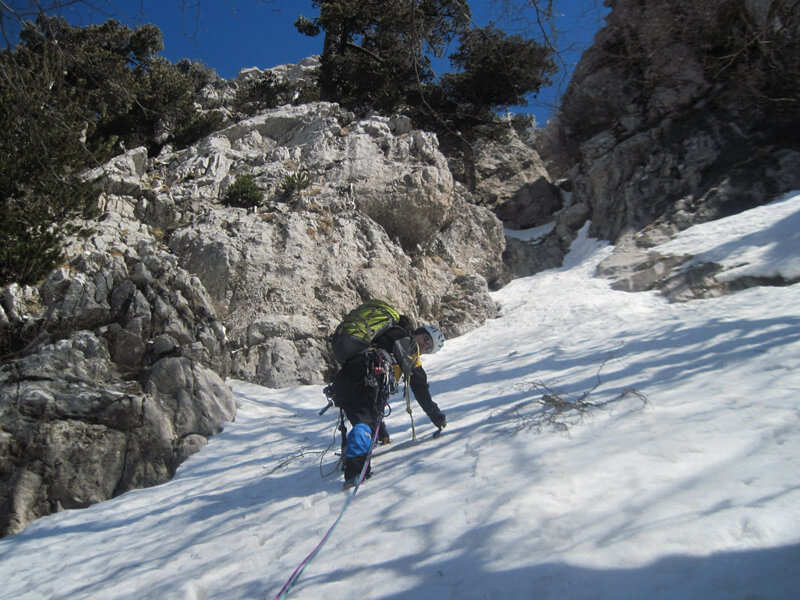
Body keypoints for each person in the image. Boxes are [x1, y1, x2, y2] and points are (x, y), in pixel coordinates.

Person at [330, 321, 446, 490]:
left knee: (364, 420)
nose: (425, 345)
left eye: (429, 347)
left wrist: (382, 433)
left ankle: (354, 454)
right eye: (426, 338)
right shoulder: (409, 349)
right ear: (419, 331)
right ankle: (355, 473)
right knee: (364, 423)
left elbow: (376, 408)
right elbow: (421, 390)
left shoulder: (386, 337)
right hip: (370, 373)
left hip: (346, 378)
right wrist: (437, 417)